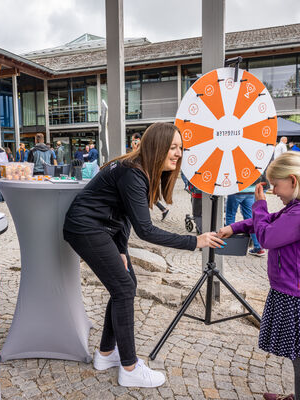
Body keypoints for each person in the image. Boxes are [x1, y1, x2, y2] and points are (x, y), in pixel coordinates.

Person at [63, 122, 224, 388]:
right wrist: (195, 241)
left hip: (101, 229)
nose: (179, 154)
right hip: (86, 228)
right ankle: (129, 367)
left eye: (180, 148)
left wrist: (121, 250)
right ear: (157, 147)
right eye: (173, 147)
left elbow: (123, 216)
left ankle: (106, 354)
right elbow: (146, 230)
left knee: (125, 286)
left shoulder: (139, 170)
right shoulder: (132, 173)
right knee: (124, 288)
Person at [219, 152, 300, 400]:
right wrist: (234, 227)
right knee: (296, 355)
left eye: (276, 184)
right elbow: (267, 223)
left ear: (293, 181)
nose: (274, 190)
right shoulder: (292, 210)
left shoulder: (297, 214)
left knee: (298, 356)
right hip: (288, 291)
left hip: (293, 294)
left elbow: (267, 236)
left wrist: (260, 204)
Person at [225, 182, 266, 257]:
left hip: (236, 190)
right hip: (250, 190)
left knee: (230, 215)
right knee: (251, 219)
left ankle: (231, 245)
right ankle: (258, 247)